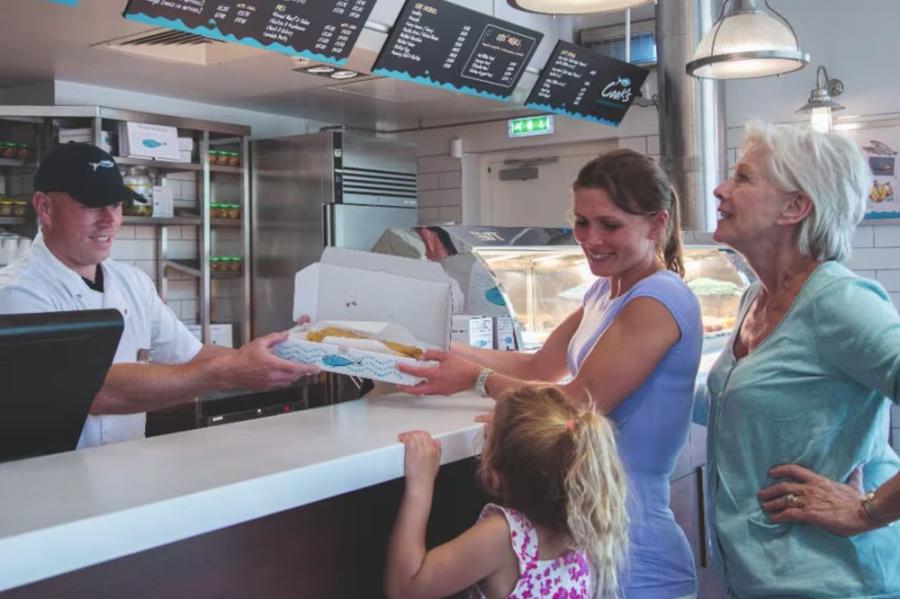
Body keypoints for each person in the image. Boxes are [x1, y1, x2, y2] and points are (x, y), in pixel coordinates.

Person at [397, 149, 703, 598]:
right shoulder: (605, 289)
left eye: (610, 224)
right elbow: (538, 366)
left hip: (635, 545)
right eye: (581, 222)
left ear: (656, 225)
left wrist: (475, 379)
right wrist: (438, 349)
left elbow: (577, 400)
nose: (591, 238)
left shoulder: (656, 300)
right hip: (593, 528)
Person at [0, 143, 317, 448]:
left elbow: (189, 354)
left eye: (115, 205)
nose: (109, 220)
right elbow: (94, 392)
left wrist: (280, 357)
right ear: (45, 207)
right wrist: (231, 371)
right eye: (91, 206)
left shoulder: (131, 282)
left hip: (127, 472)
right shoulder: (18, 292)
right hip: (48, 484)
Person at [706, 122, 900, 597]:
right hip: (758, 577)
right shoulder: (755, 296)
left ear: (795, 207)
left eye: (743, 178)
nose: (720, 189)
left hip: (834, 579)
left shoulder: (839, 301)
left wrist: (868, 510)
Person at [384, 384, 629, 599]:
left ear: (494, 477)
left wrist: (420, 484)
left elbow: (406, 587)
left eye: (487, 439)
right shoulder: (580, 522)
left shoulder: (506, 537)